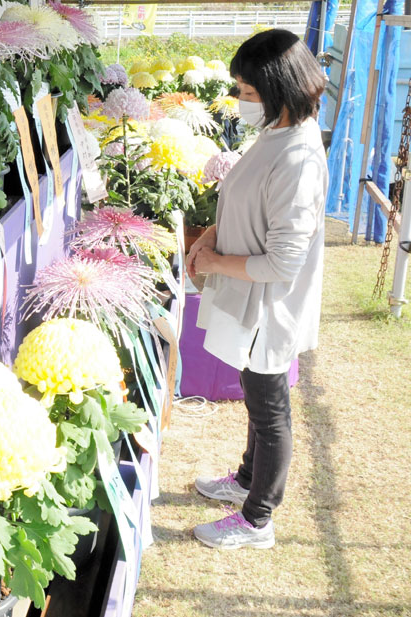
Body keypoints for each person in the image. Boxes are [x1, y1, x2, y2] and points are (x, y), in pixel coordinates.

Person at [186, 29, 328, 549]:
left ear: (279, 86)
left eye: (248, 92)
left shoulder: (298, 159)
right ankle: (246, 479)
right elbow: (245, 199)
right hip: (248, 294)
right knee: (255, 392)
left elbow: (283, 262)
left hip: (269, 304)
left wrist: (218, 261)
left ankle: (257, 518)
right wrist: (209, 237)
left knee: (270, 410)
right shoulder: (278, 132)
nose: (241, 101)